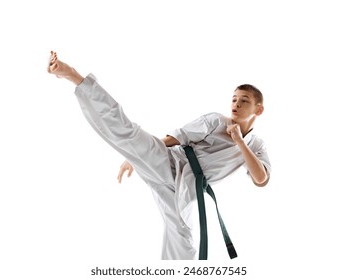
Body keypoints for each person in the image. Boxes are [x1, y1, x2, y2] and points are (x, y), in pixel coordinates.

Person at [47, 51, 271, 260]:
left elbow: (260, 179)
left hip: (185, 191)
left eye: (244, 101)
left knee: (182, 244)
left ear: (258, 110)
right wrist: (134, 153)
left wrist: (240, 142)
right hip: (169, 164)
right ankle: (76, 77)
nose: (236, 104)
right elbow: (177, 138)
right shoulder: (216, 121)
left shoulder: (256, 146)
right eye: (234, 99)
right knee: (128, 132)